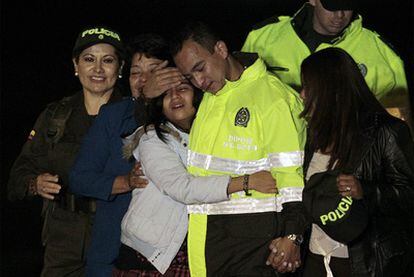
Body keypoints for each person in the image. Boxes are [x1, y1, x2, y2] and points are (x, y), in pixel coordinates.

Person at [143, 21, 307, 276]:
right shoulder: (210, 98)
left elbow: (292, 176)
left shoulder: (274, 98)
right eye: (190, 77)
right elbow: (155, 122)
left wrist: (293, 235)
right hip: (211, 244)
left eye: (200, 68)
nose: (198, 81)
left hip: (256, 245)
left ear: (220, 49)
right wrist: (143, 98)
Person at [116, 59, 278, 276]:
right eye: (166, 93)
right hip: (147, 256)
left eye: (183, 89)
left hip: (194, 250)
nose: (175, 97)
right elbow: (181, 188)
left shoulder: (215, 137)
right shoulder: (152, 138)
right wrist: (247, 182)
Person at [7, 25, 126, 276]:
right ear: (76, 65)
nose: (97, 69)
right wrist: (34, 183)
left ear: (121, 68)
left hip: (118, 237)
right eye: (89, 59)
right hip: (63, 239)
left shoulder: (135, 116)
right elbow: (17, 178)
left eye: (108, 60)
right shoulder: (55, 117)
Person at [69, 33, 180, 276]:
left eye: (153, 71)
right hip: (115, 255)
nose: (143, 80)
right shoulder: (114, 116)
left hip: (174, 256)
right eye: (135, 72)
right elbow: (79, 178)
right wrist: (123, 182)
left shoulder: (190, 115)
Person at [299, 47, 414, 277]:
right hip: (315, 261)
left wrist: (367, 191)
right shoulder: (313, 135)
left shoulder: (387, 131)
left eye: (307, 86)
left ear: (330, 89)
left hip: (364, 264)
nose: (302, 94)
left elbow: (409, 195)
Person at [242, 0, 412, 129]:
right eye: (332, 6)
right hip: (276, 146)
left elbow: (399, 120)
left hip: (343, 156)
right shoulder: (262, 38)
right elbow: (240, 95)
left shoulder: (380, 52)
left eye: (347, 6)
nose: (340, 15)